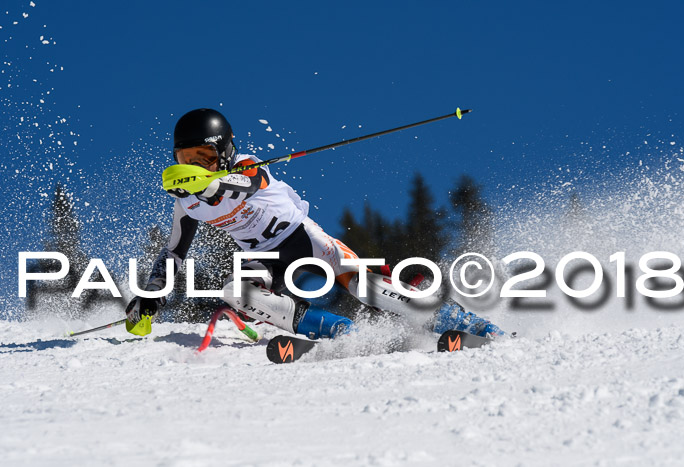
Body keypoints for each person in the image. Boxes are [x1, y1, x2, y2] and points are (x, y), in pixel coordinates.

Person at [125, 108, 504, 339]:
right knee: (236, 293)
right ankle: (339, 332)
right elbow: (173, 253)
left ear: (224, 153)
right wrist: (150, 298)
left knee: (365, 287)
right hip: (260, 259)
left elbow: (246, 184)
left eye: (204, 156)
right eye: (186, 157)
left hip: (304, 241)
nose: (195, 166)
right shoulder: (186, 204)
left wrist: (210, 181)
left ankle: (456, 319)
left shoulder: (247, 167)